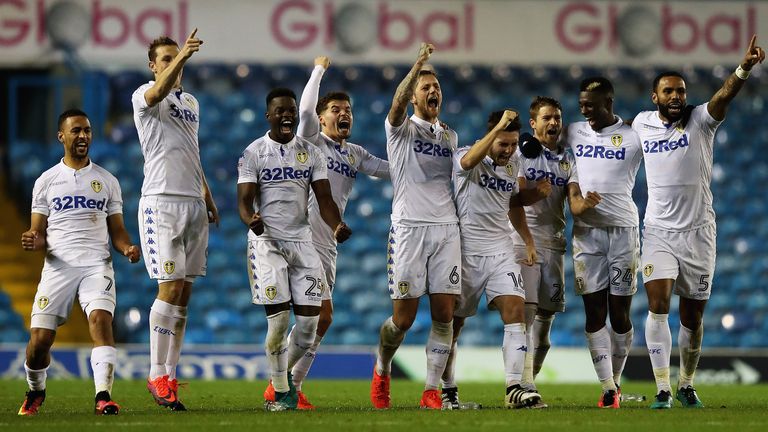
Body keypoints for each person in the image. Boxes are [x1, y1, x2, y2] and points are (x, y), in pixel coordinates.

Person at [632, 35, 764, 409]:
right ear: (655, 97)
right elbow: (612, 132)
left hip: (700, 233)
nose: (676, 97)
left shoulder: (701, 121)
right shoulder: (641, 124)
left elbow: (723, 95)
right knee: (658, 304)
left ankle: (686, 383)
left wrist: (743, 69)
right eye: (669, 91)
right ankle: (662, 389)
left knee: (692, 315)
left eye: (681, 91)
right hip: (658, 230)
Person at [262, 57, 389, 409]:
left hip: (328, 243)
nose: (344, 114)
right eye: (335, 109)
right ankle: (283, 383)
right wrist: (318, 70)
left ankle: (286, 384)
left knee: (322, 318)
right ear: (322, 117)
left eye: (348, 109)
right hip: (299, 238)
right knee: (316, 315)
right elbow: (303, 110)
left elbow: (390, 170)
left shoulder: (354, 154)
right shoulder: (311, 141)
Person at [18, 109, 140, 416]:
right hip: (58, 266)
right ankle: (35, 390)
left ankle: (103, 396)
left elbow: (118, 231)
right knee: (39, 342)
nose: (83, 135)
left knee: (101, 320)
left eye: (87, 130)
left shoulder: (107, 180)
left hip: (96, 264)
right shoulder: (46, 181)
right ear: (62, 136)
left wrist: (126, 248)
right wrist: (34, 239)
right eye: (76, 131)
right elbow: (38, 231)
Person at [237, 88, 352, 411]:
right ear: (269, 116)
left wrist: (336, 225)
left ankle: (281, 380)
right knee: (278, 323)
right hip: (267, 244)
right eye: (280, 111)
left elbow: (325, 200)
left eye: (291, 110)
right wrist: (252, 220)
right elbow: (244, 202)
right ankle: (281, 390)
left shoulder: (311, 153)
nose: (287, 115)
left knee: (308, 325)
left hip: (303, 244)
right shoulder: (254, 153)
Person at [370, 43, 461, 410]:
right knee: (402, 320)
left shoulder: (450, 137)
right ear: (412, 98)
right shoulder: (400, 130)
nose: (432, 91)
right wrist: (418, 64)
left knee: (445, 315)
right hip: (408, 229)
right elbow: (394, 105)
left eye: (435, 87)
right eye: (424, 88)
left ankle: (430, 390)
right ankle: (382, 367)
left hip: (446, 229)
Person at [132, 29, 219, 411]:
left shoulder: (192, 103)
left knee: (184, 294)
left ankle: (169, 373)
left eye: (175, 58)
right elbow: (157, 91)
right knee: (168, 288)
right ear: (153, 66)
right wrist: (182, 56)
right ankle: (154, 373)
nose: (172, 63)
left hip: (193, 204)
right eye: (164, 59)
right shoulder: (144, 96)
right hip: (161, 203)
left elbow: (190, 150)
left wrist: (208, 194)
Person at [444, 109, 542, 409]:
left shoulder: (513, 165)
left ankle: (514, 388)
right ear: (491, 138)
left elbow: (512, 202)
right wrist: (497, 128)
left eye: (513, 144)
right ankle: (447, 388)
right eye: (504, 144)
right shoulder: (467, 156)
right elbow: (468, 162)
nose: (510, 151)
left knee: (515, 311)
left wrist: (526, 239)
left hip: (500, 251)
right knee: (453, 325)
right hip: (465, 254)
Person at [514, 96, 598, 407]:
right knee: (525, 317)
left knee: (545, 333)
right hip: (525, 242)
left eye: (557, 118)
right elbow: (517, 197)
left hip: (555, 243)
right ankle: (523, 386)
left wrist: (584, 204)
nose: (553, 123)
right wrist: (536, 193)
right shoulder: (520, 155)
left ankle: (527, 382)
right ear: (533, 123)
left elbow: (573, 201)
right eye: (547, 118)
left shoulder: (568, 159)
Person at [568, 77, 643, 408]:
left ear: (608, 103)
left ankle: (616, 379)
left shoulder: (634, 135)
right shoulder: (574, 130)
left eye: (591, 105)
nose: (585, 111)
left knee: (620, 315)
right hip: (587, 234)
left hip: (623, 232)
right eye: (582, 104)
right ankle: (608, 389)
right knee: (593, 312)